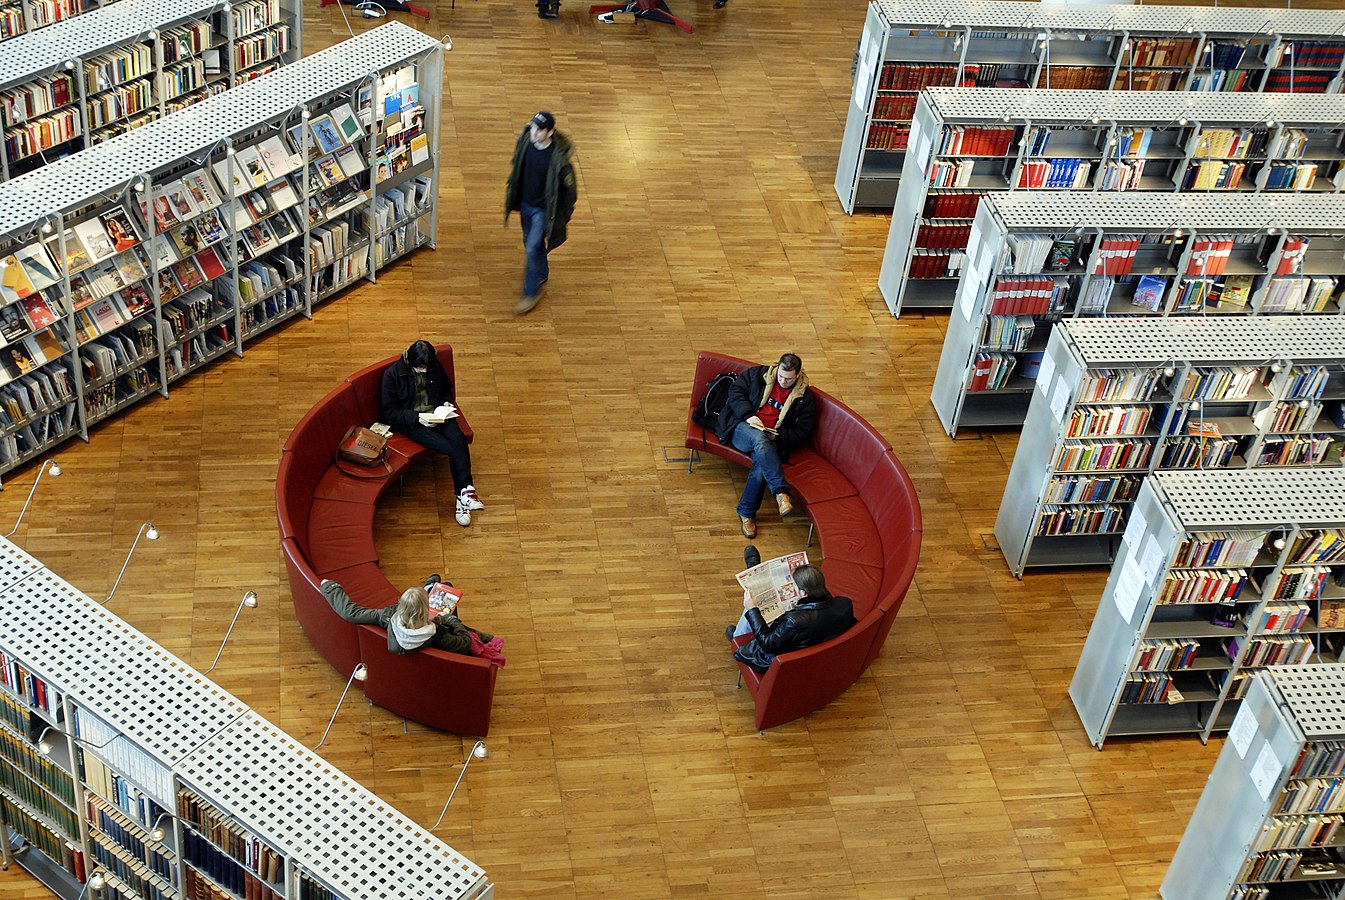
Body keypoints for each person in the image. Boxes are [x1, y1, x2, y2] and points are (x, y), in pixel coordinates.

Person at [381, 339, 484, 527]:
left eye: (427, 367)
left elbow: (446, 389)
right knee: (450, 448)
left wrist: (445, 402)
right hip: (415, 422)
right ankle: (463, 495)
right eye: (421, 368)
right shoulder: (393, 375)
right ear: (411, 362)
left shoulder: (433, 365)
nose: (425, 371)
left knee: (458, 438)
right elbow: (390, 412)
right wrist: (416, 417)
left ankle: (463, 494)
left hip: (438, 414)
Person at [715, 353, 816, 539]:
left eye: (788, 379)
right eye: (781, 377)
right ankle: (781, 492)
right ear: (777, 369)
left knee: (763, 464)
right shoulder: (757, 375)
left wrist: (778, 436)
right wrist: (749, 415)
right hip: (741, 427)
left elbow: (802, 432)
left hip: (772, 439)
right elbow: (735, 392)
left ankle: (746, 513)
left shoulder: (805, 398)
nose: (784, 382)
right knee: (760, 441)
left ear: (798, 375)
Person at [728, 549, 856, 674]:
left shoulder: (793, 622)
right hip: (813, 643)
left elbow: (767, 643)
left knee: (752, 606)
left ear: (803, 592)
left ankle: (737, 637)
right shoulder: (845, 603)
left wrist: (753, 610)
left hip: (780, 657)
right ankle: (757, 579)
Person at [504, 111, 577, 315]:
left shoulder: (559, 161)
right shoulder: (526, 141)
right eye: (534, 127)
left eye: (540, 129)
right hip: (525, 205)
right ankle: (542, 272)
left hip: (542, 211)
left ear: (550, 132)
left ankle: (531, 293)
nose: (535, 133)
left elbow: (570, 193)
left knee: (531, 248)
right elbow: (517, 165)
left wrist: (563, 216)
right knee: (530, 243)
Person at [320, 576, 493, 655]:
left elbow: (351, 613)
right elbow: (465, 643)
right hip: (443, 627)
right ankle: (429, 588)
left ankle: (429, 587)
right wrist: (451, 620)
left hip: (414, 619)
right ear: (424, 611)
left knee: (437, 583)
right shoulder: (438, 634)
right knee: (446, 586)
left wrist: (329, 587)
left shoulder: (386, 617)